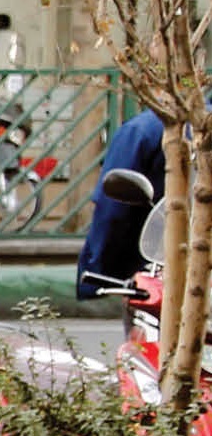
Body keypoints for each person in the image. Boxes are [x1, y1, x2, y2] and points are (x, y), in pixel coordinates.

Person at [78, 107, 169, 297]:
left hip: (150, 266)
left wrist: (96, 267)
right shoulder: (146, 130)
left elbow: (111, 211)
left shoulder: (142, 130)